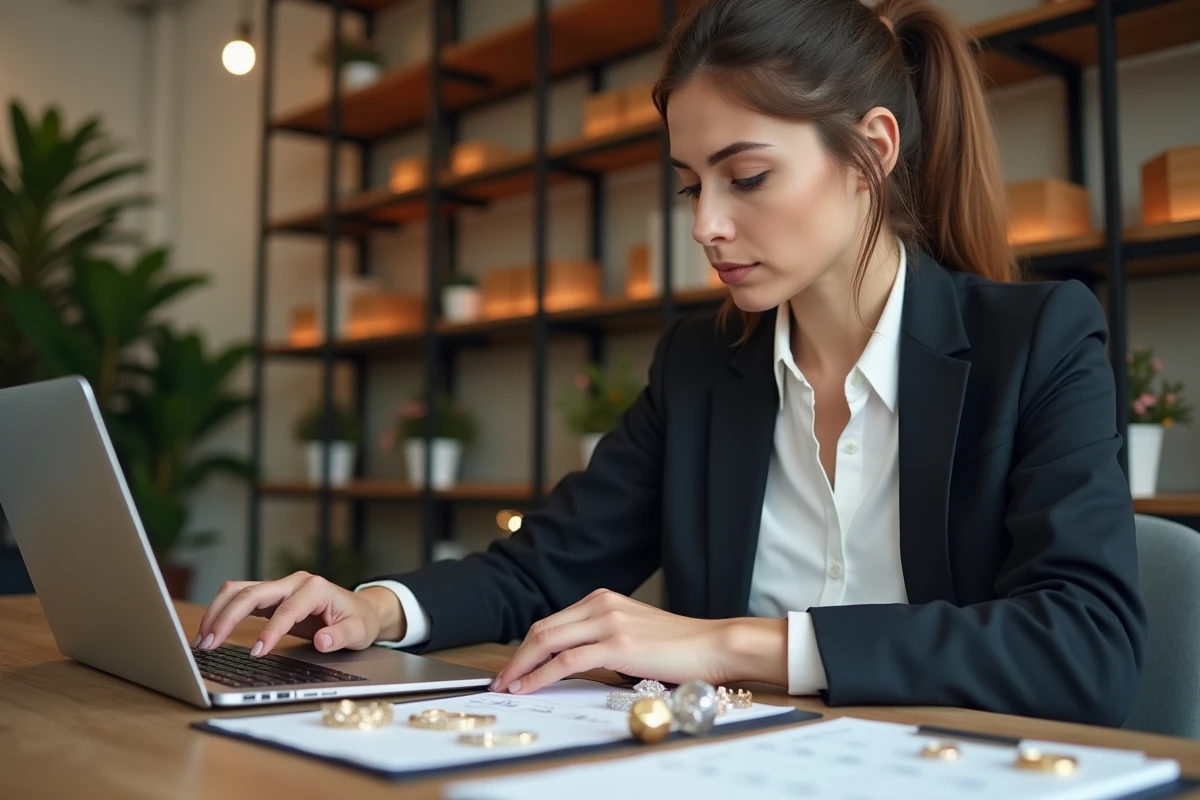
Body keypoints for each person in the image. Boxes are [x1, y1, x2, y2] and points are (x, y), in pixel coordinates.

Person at [195, 0, 1146, 727]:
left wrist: (723, 645)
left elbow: (1087, 646)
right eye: (691, 185)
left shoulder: (1041, 340)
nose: (706, 226)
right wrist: (370, 608)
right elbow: (544, 566)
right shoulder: (704, 363)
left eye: (748, 176)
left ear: (870, 153)